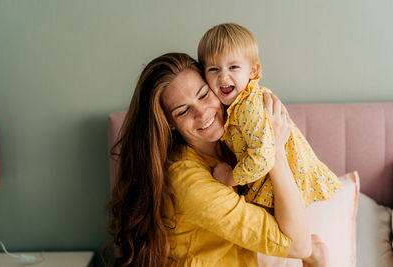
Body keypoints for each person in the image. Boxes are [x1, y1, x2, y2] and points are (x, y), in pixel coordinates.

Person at [106, 52, 328, 266]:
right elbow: (299, 247)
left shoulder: (239, 142)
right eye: (183, 111)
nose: (202, 114)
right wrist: (275, 153)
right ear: (170, 123)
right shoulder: (189, 181)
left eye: (203, 95)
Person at [197, 23, 341, 208]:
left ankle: (309, 238)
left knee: (277, 233)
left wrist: (229, 177)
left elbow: (262, 158)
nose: (223, 77)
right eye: (214, 69)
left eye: (233, 67)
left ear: (252, 71)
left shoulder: (249, 106)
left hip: (284, 182)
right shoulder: (233, 106)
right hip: (271, 183)